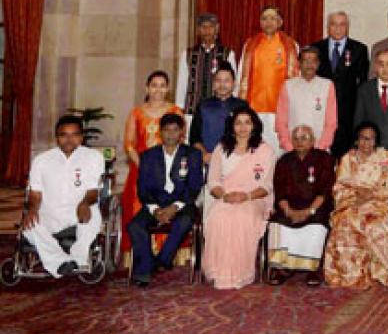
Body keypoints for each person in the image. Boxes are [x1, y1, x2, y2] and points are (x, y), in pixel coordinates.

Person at [22, 115, 105, 277]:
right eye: (63, 135)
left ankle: (77, 257)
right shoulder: (42, 160)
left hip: (80, 211)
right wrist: (32, 209)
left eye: (74, 135)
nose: (69, 139)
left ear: (81, 137)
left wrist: (85, 204)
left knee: (93, 215)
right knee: (29, 226)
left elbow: (93, 191)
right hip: (50, 213)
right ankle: (61, 262)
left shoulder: (93, 157)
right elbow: (35, 193)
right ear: (56, 138)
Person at [203, 106, 275, 290]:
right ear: (231, 126)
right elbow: (212, 181)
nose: (243, 127)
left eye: (247, 122)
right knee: (218, 218)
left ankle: (239, 273)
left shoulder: (264, 150)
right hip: (225, 198)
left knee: (241, 218)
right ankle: (220, 272)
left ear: (254, 125)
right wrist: (225, 196)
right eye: (238, 123)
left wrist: (246, 195)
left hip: (253, 199)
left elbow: (267, 185)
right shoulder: (221, 148)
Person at [127, 113, 204, 287]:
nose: (170, 134)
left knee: (184, 221)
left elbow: (194, 186)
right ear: (160, 133)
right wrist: (155, 209)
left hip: (183, 204)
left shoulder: (192, 155)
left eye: (175, 130)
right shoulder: (148, 156)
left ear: (182, 132)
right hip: (155, 204)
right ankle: (144, 270)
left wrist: (174, 207)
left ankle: (163, 259)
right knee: (135, 226)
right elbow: (143, 188)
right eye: (166, 130)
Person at [323, 122, 388, 288]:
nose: (367, 143)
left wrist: (372, 195)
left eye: (372, 139)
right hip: (352, 202)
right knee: (345, 223)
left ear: (376, 141)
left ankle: (380, 273)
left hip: (378, 204)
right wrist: (355, 197)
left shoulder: (386, 159)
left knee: (374, 224)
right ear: (357, 140)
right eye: (364, 138)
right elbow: (339, 187)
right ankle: (350, 275)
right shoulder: (347, 159)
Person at [121, 70, 184, 257]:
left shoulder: (175, 111)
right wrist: (144, 167)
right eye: (154, 85)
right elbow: (129, 144)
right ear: (147, 88)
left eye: (162, 85)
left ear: (168, 89)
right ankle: (141, 253)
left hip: (169, 170)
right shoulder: (137, 113)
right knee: (140, 208)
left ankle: (166, 252)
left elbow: (182, 141)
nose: (158, 89)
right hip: (141, 169)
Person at [268, 124, 336, 286]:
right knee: (277, 222)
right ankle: (281, 269)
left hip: (316, 206)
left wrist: (309, 210)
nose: (300, 142)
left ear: (313, 140)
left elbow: (325, 191)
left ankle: (312, 269)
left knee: (317, 224)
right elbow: (279, 191)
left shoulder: (324, 159)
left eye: (304, 138)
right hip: (289, 206)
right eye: (296, 138)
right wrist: (288, 210)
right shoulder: (284, 161)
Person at [237, 5, 300, 151]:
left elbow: (297, 79)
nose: (269, 22)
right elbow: (241, 74)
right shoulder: (250, 45)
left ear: (280, 22)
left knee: (278, 151)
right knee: (256, 150)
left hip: (279, 108)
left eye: (273, 18)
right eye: (264, 19)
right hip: (254, 107)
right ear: (260, 22)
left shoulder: (291, 45)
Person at [311, 10, 370, 159]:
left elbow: (363, 84)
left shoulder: (359, 49)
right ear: (327, 27)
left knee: (345, 158)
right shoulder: (316, 48)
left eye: (342, 24)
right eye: (334, 24)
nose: (338, 28)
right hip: (321, 112)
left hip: (348, 115)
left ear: (347, 27)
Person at [275, 47, 337, 152]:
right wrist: (289, 147)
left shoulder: (327, 85)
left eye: (313, 61)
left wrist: (320, 147)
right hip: (293, 150)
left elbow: (331, 123)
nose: (309, 64)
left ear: (318, 64)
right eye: (305, 61)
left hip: (320, 150)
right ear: (299, 63)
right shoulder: (288, 85)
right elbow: (281, 122)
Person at [174, 12, 236, 116]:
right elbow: (182, 84)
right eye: (203, 27)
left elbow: (233, 84)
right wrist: (179, 109)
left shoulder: (227, 54)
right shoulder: (188, 54)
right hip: (191, 110)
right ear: (198, 30)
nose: (207, 31)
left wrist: (232, 107)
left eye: (210, 27)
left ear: (217, 29)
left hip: (219, 110)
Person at [189, 62, 245, 165]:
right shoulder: (203, 106)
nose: (222, 85)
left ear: (234, 83)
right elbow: (194, 138)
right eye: (218, 80)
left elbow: (250, 134)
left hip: (237, 161)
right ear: (213, 84)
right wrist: (204, 154)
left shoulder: (242, 106)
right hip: (208, 161)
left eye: (226, 81)